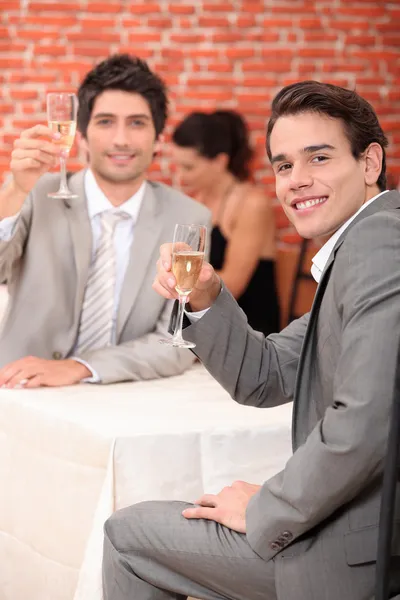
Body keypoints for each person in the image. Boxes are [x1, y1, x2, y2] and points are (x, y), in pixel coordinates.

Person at [102, 81, 400, 599]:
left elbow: (366, 421)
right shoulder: (358, 250)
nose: (297, 181)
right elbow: (263, 376)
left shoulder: (379, 241)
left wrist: (267, 507)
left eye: (319, 157)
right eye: (284, 166)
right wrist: (207, 293)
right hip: (362, 529)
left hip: (361, 551)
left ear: (370, 163)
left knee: (129, 535)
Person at [0, 54, 210, 388]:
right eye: (105, 122)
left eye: (137, 123)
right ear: (81, 136)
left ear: (158, 138)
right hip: (19, 390)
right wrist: (14, 190)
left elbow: (175, 342)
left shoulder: (189, 218)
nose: (121, 140)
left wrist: (81, 367)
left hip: (119, 395)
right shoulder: (35, 195)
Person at [171, 110, 280, 335]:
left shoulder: (252, 204)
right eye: (178, 166)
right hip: (206, 326)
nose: (181, 176)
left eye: (189, 167)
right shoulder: (196, 202)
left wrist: (173, 287)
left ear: (220, 161)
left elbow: (232, 286)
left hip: (249, 332)